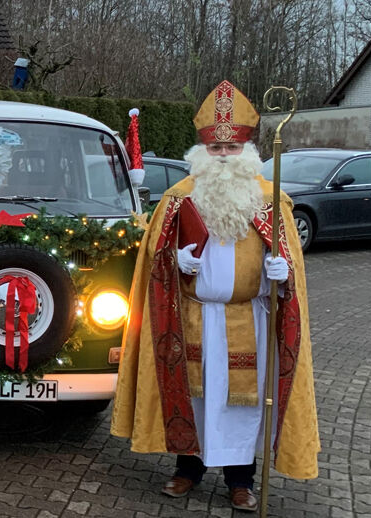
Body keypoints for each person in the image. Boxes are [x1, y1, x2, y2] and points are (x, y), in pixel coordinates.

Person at [110, 80, 319, 512]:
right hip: (195, 317)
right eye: (216, 150)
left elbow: (290, 270)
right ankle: (188, 470)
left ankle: (240, 481)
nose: (223, 157)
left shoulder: (268, 198)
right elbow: (154, 262)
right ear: (201, 152)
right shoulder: (178, 198)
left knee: (241, 404)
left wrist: (279, 277)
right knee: (197, 396)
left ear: (246, 151)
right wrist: (175, 262)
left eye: (232, 149)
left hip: (250, 318)